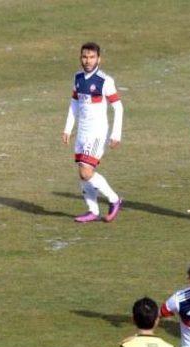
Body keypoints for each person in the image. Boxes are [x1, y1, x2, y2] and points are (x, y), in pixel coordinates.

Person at [62, 42, 124, 223]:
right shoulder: (78, 78)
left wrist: (116, 134)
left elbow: (118, 107)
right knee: (82, 171)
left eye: (91, 57)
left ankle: (114, 200)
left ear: (99, 59)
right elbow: (74, 104)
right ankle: (93, 210)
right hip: (82, 131)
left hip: (97, 132)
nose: (87, 61)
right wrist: (68, 128)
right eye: (84, 57)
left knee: (86, 172)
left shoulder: (105, 81)